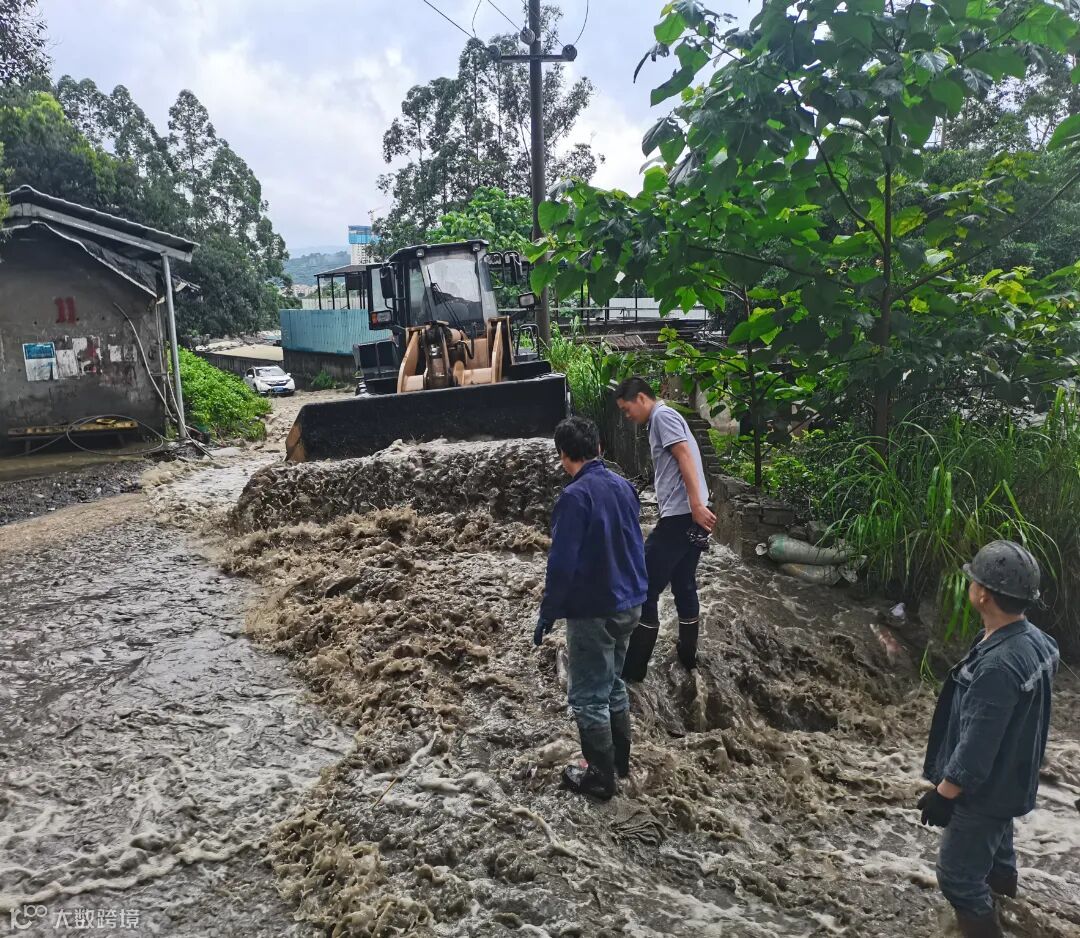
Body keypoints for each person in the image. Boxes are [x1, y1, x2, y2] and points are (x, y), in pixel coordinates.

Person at [919, 540, 1059, 938]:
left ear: (982, 594)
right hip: (1011, 782)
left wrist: (944, 794)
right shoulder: (1036, 641)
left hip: (983, 792)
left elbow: (978, 748)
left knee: (957, 877)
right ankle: (1010, 914)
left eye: (973, 581)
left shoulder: (998, 665)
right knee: (997, 859)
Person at [535, 416, 648, 800]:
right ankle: (619, 764)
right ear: (599, 449)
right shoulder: (624, 487)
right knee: (614, 684)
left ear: (564, 456)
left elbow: (562, 565)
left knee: (588, 696)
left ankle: (600, 779)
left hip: (595, 609)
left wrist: (548, 611)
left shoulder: (574, 498)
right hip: (631, 602)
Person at [612, 376, 716, 682]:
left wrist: (696, 506)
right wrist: (700, 506)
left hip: (682, 515)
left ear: (641, 398)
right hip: (689, 514)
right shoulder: (665, 416)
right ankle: (688, 657)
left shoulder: (662, 416)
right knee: (683, 582)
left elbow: (684, 454)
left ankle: (632, 673)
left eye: (626, 408)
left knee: (643, 585)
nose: (627, 416)